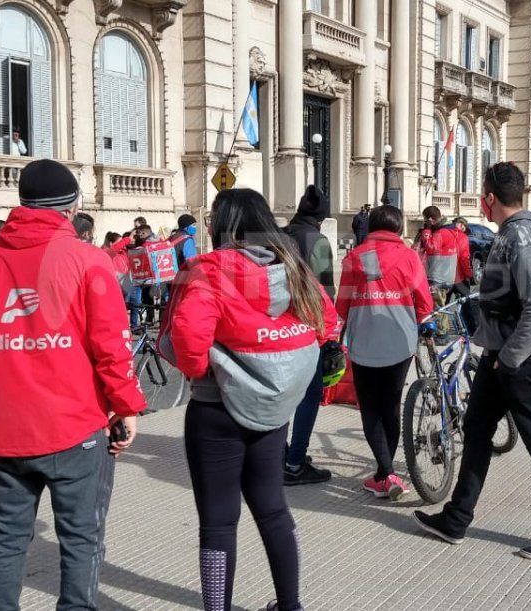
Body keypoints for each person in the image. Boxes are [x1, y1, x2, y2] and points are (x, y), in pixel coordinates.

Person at [0, 158, 145, 610]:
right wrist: (127, 407)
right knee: (81, 538)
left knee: (7, 537)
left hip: (5, 428)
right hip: (74, 428)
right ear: (71, 209)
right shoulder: (89, 260)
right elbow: (112, 347)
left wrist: (9, 342)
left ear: (22, 205)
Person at [161, 188, 339, 611]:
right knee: (273, 509)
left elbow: (187, 342)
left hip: (215, 410)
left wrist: (204, 370)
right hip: (273, 411)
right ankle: (290, 605)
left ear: (223, 225)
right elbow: (327, 321)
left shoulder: (206, 271)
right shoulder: (293, 266)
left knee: (219, 521)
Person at [414, 162, 531, 561]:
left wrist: (509, 359)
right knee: (475, 431)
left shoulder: (522, 237)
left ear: (489, 198)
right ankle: (456, 519)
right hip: (501, 358)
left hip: (523, 360)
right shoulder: (511, 234)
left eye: (481, 196)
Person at [337, 205, 433, 500]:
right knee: (391, 405)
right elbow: (425, 303)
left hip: (364, 341)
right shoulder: (409, 256)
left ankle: (386, 473)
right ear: (399, 228)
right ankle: (385, 473)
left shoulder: (355, 257)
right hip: (400, 342)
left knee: (370, 408)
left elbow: (342, 306)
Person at [280, 185, 337, 485]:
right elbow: (324, 290)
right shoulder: (318, 240)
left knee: (284, 393)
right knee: (309, 394)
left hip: (277, 325)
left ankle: (280, 453)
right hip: (307, 327)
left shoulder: (279, 235)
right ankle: (295, 462)